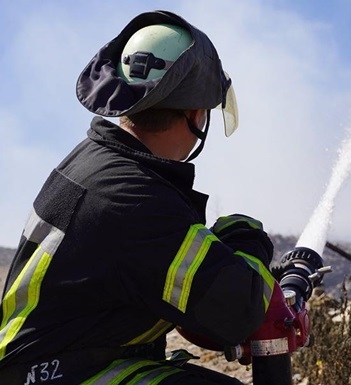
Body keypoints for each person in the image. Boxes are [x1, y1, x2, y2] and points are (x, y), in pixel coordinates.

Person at [0, 10, 276, 385]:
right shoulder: (133, 198)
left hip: (57, 364)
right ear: (196, 114)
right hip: (59, 373)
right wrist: (246, 235)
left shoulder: (100, 162)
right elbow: (239, 311)